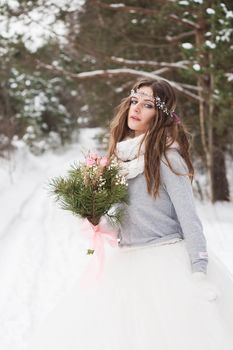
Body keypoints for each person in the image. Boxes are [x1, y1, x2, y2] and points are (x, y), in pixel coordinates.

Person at [28, 79, 233, 350]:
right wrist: (94, 218)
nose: (136, 108)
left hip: (165, 262)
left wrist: (198, 270)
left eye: (148, 105)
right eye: (135, 101)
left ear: (159, 115)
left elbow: (189, 218)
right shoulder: (119, 160)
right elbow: (125, 220)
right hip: (126, 262)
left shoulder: (167, 158)